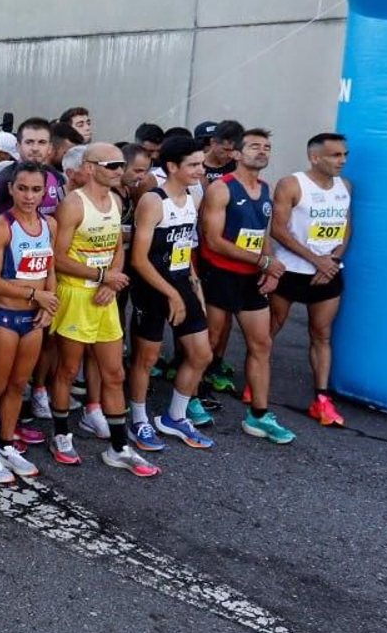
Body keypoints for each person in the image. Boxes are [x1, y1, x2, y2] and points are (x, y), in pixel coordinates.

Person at [49, 143, 159, 476]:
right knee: (68, 370)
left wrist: (110, 283)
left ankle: (119, 447)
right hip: (76, 296)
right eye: (111, 164)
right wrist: (101, 276)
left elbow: (116, 247)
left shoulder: (115, 201)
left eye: (120, 165)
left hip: (105, 298)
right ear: (90, 166)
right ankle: (61, 436)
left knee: (115, 373)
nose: (117, 170)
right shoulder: (72, 204)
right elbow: (59, 256)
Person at [198, 128, 296, 444]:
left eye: (267, 146)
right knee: (211, 340)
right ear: (237, 154)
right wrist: (264, 262)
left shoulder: (265, 188)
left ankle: (259, 415)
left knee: (262, 344)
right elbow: (213, 240)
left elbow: (261, 234)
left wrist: (269, 268)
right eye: (254, 146)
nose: (263, 151)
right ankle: (192, 399)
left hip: (251, 277)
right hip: (220, 274)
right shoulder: (221, 189)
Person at [126, 138, 217, 452]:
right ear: (172, 167)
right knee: (146, 358)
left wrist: (194, 286)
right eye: (192, 165)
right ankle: (139, 420)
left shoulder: (192, 196)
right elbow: (139, 259)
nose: (199, 170)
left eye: (201, 164)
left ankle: (175, 417)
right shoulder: (154, 200)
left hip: (180, 282)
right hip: (151, 286)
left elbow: (186, 248)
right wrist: (171, 295)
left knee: (201, 353)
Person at [0, 163, 57, 482]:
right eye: (22, 188)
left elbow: (49, 269)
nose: (29, 195)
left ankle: (6, 443)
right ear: (10, 189)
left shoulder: (48, 224)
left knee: (17, 386)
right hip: (3, 318)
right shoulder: (1, 227)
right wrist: (37, 295)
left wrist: (48, 305)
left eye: (36, 189)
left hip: (33, 319)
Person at [270, 133, 352, 426]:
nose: (341, 160)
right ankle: (257, 385)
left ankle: (322, 399)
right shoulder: (291, 184)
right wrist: (315, 259)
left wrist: (332, 261)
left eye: (344, 154)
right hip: (291, 270)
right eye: (335, 155)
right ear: (315, 157)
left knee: (322, 334)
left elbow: (345, 228)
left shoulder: (345, 187)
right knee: (271, 329)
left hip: (328, 272)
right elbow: (278, 229)